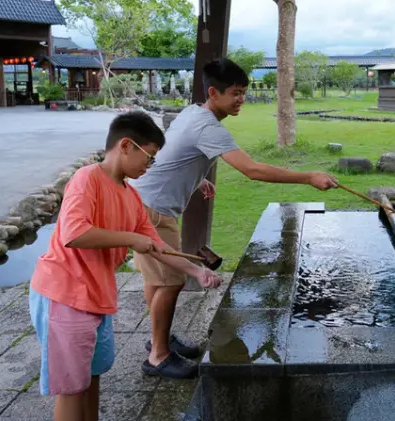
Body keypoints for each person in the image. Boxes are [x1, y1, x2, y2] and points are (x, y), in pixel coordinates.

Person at [130, 57, 338, 379]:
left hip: (143, 202)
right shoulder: (208, 126)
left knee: (156, 279)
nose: (241, 99)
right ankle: (158, 356)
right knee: (171, 283)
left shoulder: (191, 113)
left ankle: (161, 337)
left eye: (244, 92)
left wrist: (198, 178)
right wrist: (308, 177)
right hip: (153, 213)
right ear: (214, 93)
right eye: (236, 93)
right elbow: (252, 170)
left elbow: (171, 157)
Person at [28, 111, 222, 421]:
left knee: (91, 378)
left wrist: (196, 272)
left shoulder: (132, 197)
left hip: (95, 299)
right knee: (72, 389)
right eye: (150, 156)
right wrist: (131, 238)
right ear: (127, 146)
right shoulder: (87, 178)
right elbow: (74, 233)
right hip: (64, 295)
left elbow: (158, 248)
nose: (150, 165)